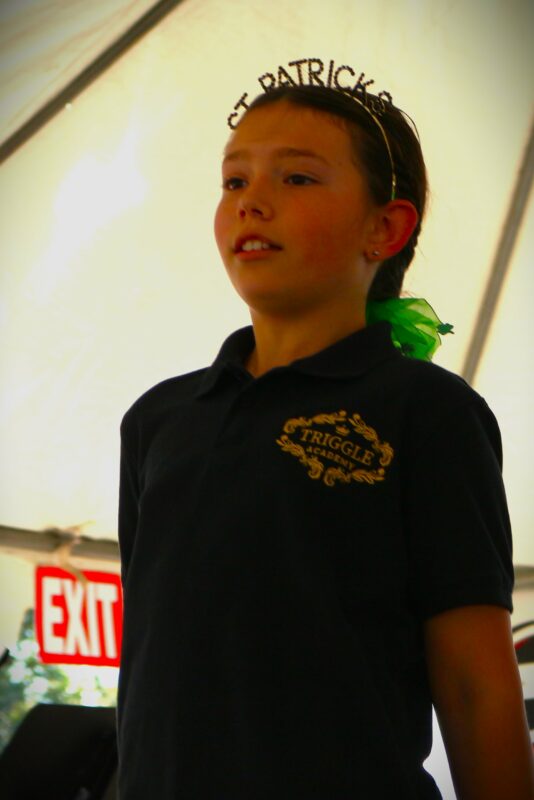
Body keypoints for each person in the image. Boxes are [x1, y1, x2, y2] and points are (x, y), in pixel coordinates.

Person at [117, 67, 534, 799]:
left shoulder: (427, 411)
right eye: (234, 180)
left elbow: (475, 686)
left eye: (298, 178)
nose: (251, 202)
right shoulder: (159, 419)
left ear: (385, 229)